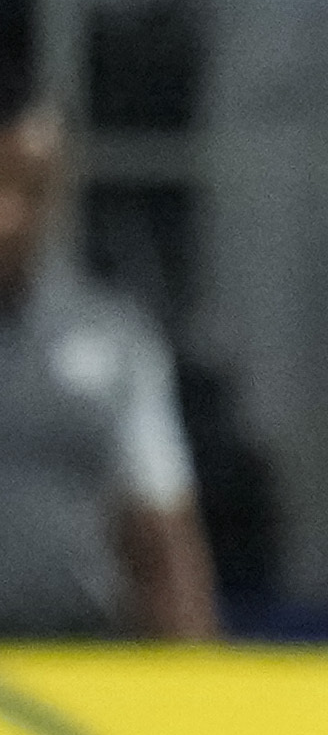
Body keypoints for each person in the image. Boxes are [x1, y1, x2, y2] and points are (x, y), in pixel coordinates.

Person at [0, 95, 219, 639]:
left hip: (76, 663)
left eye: (28, 189)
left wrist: (203, 688)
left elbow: (161, 532)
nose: (6, 215)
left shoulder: (113, 341)